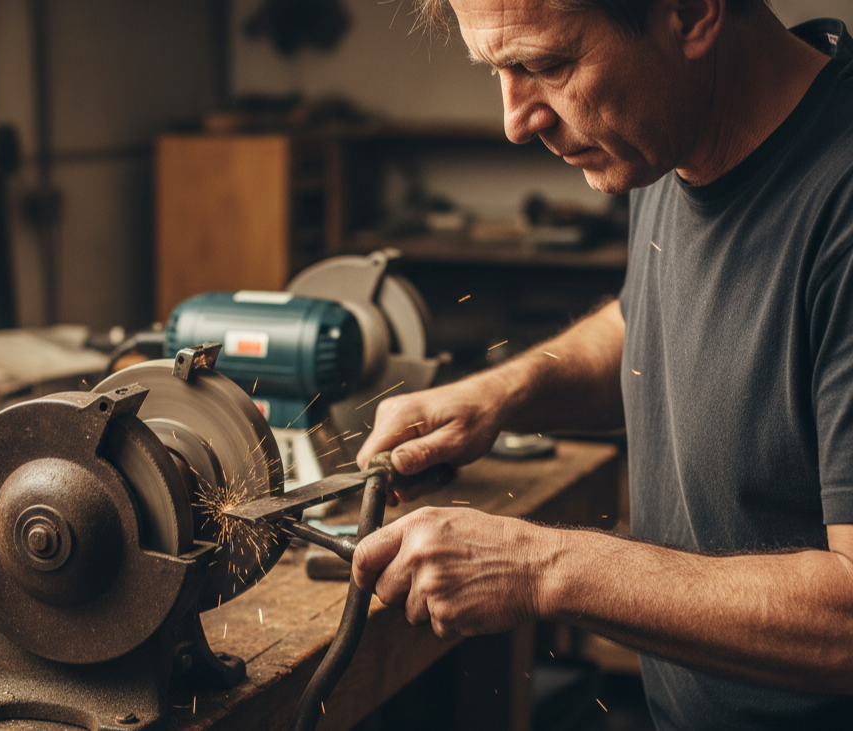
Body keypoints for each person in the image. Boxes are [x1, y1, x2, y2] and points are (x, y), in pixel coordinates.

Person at [350, 0, 853, 728]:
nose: (516, 120)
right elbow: (664, 321)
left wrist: (539, 568)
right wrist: (503, 393)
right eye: (498, 71)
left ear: (690, 14)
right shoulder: (673, 133)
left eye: (546, 66)